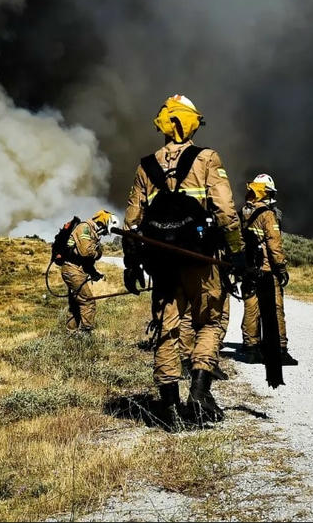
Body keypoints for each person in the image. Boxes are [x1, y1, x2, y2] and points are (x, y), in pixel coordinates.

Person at [123, 94, 241, 428]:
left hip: (162, 265)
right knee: (211, 323)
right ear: (189, 123)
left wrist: (132, 264)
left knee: (167, 330)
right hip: (202, 262)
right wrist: (235, 251)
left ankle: (170, 411)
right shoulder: (207, 159)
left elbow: (132, 219)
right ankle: (200, 391)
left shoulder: (146, 166)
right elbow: (226, 211)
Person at [237, 174, 297, 366]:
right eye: (269, 192)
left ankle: (251, 349)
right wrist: (281, 267)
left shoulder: (243, 212)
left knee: (251, 307)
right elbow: (274, 245)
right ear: (264, 193)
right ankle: (280, 350)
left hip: (249, 269)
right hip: (266, 269)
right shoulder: (268, 215)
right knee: (275, 309)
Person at [58, 210, 115, 335]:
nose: (105, 233)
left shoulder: (91, 231)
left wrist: (93, 272)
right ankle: (85, 334)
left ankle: (71, 334)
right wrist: (99, 253)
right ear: (104, 222)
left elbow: (85, 259)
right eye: (105, 230)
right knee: (87, 301)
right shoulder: (84, 228)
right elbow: (86, 252)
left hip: (75, 269)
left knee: (75, 305)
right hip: (73, 270)